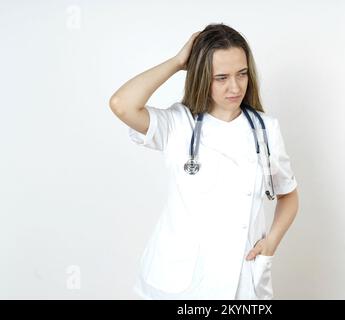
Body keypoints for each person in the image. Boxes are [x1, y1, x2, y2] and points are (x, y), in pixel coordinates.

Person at [109, 23, 299, 300]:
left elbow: (289, 195)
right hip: (175, 280)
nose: (235, 87)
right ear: (200, 76)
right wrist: (177, 62)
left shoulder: (266, 129)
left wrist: (271, 243)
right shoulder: (177, 124)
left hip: (241, 280)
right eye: (220, 77)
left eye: (242, 74)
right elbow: (121, 104)